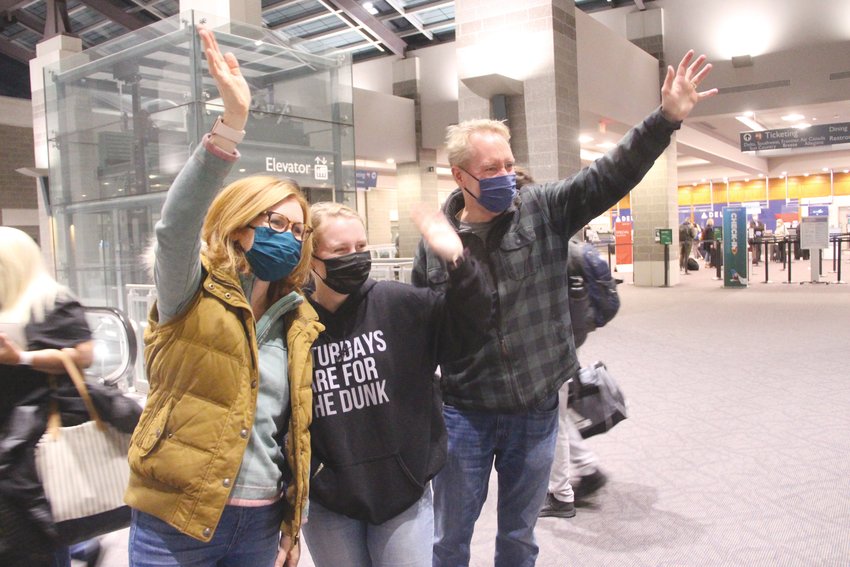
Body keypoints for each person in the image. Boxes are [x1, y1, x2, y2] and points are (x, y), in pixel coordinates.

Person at [412, 50, 716, 566]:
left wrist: (665, 119)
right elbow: (426, 329)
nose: (507, 174)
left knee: (519, 536)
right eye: (492, 168)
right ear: (461, 176)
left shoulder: (544, 209)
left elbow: (610, 175)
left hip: (535, 407)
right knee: (450, 537)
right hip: (466, 410)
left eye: (510, 163)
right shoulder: (434, 242)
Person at [124, 28, 322, 567]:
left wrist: (292, 522)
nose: (290, 236)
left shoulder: (297, 318)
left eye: (300, 230)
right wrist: (231, 124)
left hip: (258, 523)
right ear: (239, 227)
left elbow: (292, 430)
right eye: (276, 221)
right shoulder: (188, 289)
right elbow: (174, 228)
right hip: (176, 519)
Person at [301, 202, 491, 567]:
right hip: (329, 498)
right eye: (340, 251)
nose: (354, 258)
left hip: (401, 489)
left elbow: (470, 326)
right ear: (311, 257)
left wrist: (457, 260)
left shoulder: (399, 304)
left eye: (360, 247)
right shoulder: (295, 323)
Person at [514, 169, 608, 520]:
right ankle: (585, 467)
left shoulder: (542, 249)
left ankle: (562, 491)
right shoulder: (562, 243)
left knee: (551, 421)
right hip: (566, 343)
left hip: (547, 350)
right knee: (558, 415)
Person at [0, 226, 95, 567]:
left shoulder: (53, 302)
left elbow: (83, 356)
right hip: (12, 439)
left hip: (36, 437)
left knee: (38, 535)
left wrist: (22, 358)